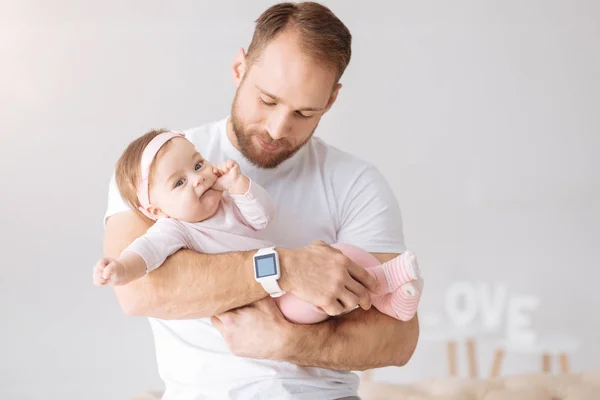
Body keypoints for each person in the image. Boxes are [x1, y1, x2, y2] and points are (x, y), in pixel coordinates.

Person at [102, 2, 420, 399]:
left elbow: (399, 337)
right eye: (267, 100)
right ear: (240, 69)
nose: (277, 128)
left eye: (304, 112)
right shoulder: (156, 171)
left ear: (332, 100)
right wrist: (284, 266)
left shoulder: (357, 183)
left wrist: (289, 342)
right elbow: (139, 292)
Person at [94, 130, 423, 323]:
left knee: (341, 255)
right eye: (179, 182)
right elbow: (145, 253)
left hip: (292, 282)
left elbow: (263, 217)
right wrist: (121, 269)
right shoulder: (176, 229)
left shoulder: (226, 202)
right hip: (274, 304)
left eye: (197, 164)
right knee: (314, 302)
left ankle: (385, 293)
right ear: (155, 209)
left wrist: (239, 186)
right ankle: (383, 286)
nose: (198, 179)